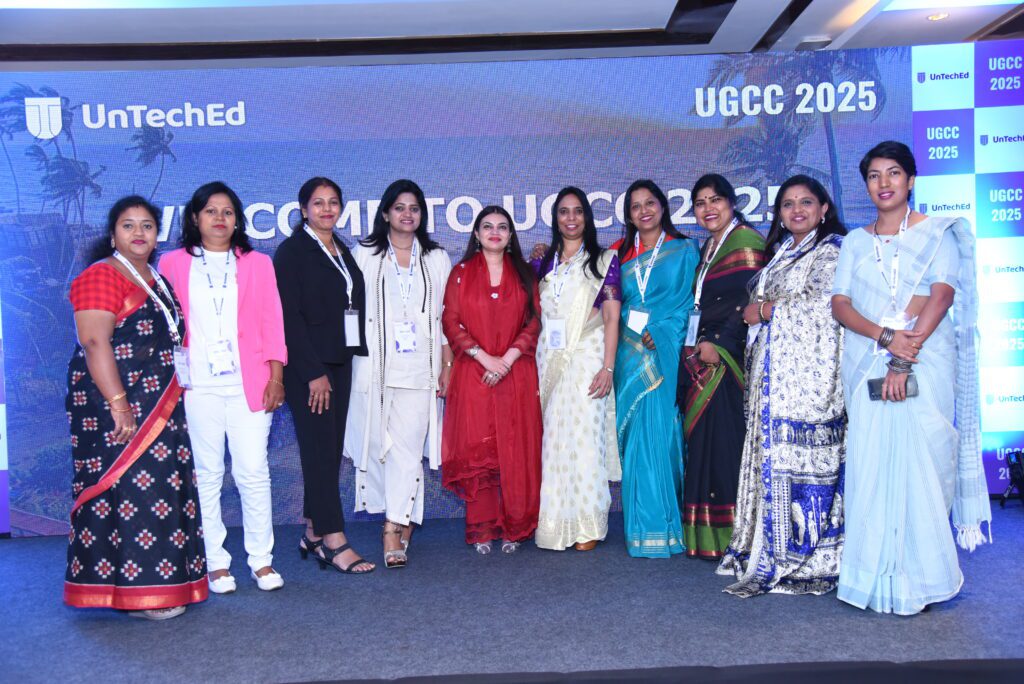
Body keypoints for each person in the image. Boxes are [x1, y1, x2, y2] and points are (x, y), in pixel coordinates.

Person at [831, 141, 991, 615]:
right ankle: (871, 577)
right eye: (874, 175)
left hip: (925, 360)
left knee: (925, 466)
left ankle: (924, 578)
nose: (884, 183)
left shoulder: (938, 233)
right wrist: (885, 339)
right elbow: (840, 304)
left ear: (911, 180)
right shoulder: (854, 242)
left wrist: (903, 360)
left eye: (894, 173)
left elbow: (940, 296)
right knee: (873, 468)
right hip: (867, 360)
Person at [65, 196, 207, 619]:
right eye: (128, 225)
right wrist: (119, 405)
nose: (139, 233)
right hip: (115, 406)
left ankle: (162, 586)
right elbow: (95, 342)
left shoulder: (154, 278)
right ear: (113, 235)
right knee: (131, 491)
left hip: (160, 404)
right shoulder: (101, 275)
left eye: (147, 225)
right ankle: (138, 594)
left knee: (161, 489)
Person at [717, 174, 847, 596]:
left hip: (807, 384)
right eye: (788, 204)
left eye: (806, 202)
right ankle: (764, 544)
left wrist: (766, 310)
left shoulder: (831, 251)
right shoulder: (783, 252)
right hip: (772, 377)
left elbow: (824, 307)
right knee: (769, 457)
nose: (796, 210)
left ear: (823, 209)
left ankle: (807, 555)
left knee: (802, 460)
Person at [159, 182, 287, 593]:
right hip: (197, 387)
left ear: (237, 220)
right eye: (211, 211)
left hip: (250, 383)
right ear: (195, 218)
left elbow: (273, 322)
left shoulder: (258, 264)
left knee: (253, 472)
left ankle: (261, 561)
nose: (219, 218)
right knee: (208, 473)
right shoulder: (172, 263)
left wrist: (276, 376)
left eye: (228, 211)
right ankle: (215, 562)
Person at [345, 180, 453, 569]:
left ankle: (392, 528)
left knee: (407, 451)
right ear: (386, 213)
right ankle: (402, 518)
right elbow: (349, 308)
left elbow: (445, 316)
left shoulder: (436, 258)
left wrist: (447, 364)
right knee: (377, 448)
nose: (407, 214)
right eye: (400, 208)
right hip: (374, 369)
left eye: (414, 208)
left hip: (420, 371)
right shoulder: (365, 254)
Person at [274, 177, 374, 574]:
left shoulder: (339, 248)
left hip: (339, 361)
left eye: (333, 202)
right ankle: (334, 540)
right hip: (310, 368)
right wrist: (313, 372)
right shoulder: (292, 252)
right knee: (318, 451)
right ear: (303, 210)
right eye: (318, 203)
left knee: (329, 452)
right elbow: (289, 318)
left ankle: (313, 531)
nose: (327, 209)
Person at [441, 206, 543, 554]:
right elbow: (451, 321)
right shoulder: (460, 274)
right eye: (487, 226)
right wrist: (484, 358)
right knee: (480, 453)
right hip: (476, 373)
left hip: (516, 373)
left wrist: (507, 359)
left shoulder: (525, 274)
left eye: (502, 227)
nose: (495, 232)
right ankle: (482, 527)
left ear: (511, 235)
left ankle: (515, 526)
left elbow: (534, 322)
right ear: (476, 234)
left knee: (514, 451)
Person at [678, 174, 766, 560]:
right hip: (702, 355)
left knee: (726, 446)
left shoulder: (746, 242)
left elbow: (749, 301)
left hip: (728, 360)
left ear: (732, 202)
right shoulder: (709, 247)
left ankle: (737, 538)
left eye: (715, 200)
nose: (708, 208)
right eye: (700, 203)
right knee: (704, 447)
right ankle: (708, 538)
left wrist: (721, 343)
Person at [612, 180, 699, 558]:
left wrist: (662, 331)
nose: (644, 211)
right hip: (630, 356)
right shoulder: (618, 256)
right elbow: (607, 306)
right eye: (635, 206)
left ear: (663, 207)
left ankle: (668, 525)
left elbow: (692, 307)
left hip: (665, 354)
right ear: (628, 215)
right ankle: (642, 530)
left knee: (665, 437)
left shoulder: (685, 250)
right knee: (636, 442)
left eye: (650, 203)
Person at [533, 187, 622, 552]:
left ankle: (587, 525)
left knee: (586, 439)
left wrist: (608, 367)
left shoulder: (604, 260)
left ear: (587, 217)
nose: (571, 218)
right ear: (556, 219)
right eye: (564, 212)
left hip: (589, 356)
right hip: (551, 360)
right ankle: (556, 523)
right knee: (555, 440)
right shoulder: (543, 262)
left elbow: (612, 317)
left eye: (578, 211)